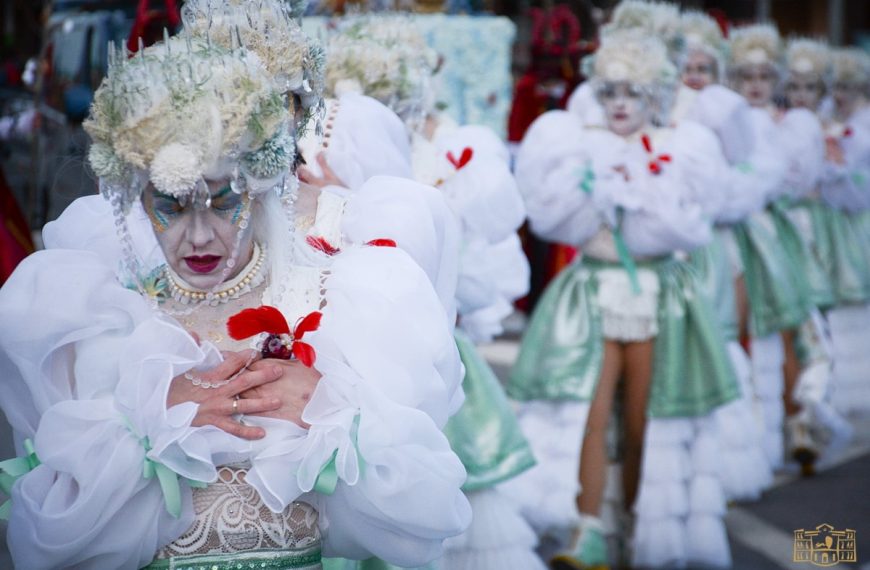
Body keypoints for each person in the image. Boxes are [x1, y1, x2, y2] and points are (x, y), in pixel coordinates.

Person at [0, 24, 471, 570]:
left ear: (262, 182)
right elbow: (55, 527)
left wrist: (338, 411)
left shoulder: (347, 300)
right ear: (136, 193)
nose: (198, 236)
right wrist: (146, 414)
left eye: (222, 202)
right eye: (171, 206)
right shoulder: (100, 315)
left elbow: (420, 506)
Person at [506, 30, 737, 569]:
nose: (621, 105)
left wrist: (644, 197)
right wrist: (595, 195)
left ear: (654, 96)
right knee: (587, 408)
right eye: (610, 93)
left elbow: (692, 230)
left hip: (658, 293)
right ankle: (587, 530)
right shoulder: (579, 144)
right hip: (592, 289)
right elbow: (552, 222)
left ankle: (636, 526)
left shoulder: (682, 149)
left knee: (643, 422)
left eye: (632, 94)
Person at [320, 15, 542, 570]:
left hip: (434, 341)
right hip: (357, 341)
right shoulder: (332, 155)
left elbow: (479, 258)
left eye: (394, 94)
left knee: (442, 480)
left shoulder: (449, 154)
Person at [728, 24, 848, 475]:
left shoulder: (794, 124)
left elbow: (792, 180)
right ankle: (752, 437)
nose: (756, 84)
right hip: (737, 233)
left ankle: (798, 423)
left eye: (763, 75)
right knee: (739, 330)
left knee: (784, 326)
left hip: (773, 233)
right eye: (745, 75)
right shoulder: (729, 119)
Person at [817, 47, 870, 416]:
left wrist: (844, 174)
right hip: (829, 219)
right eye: (836, 86)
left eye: (848, 85)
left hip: (860, 220)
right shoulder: (825, 118)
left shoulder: (866, 123)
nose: (841, 94)